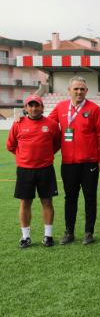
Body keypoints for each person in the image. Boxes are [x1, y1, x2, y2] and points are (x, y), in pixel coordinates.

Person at [48, 76, 100, 245]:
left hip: (89, 163)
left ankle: (89, 232)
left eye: (82, 89)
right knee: (70, 198)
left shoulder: (94, 109)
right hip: (68, 163)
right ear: (69, 90)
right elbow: (46, 123)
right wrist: (23, 119)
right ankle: (69, 232)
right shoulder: (60, 107)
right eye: (76, 89)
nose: (79, 91)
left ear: (86, 91)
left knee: (90, 198)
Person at [7, 95, 61, 248]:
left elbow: (57, 143)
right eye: (30, 105)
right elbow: (11, 145)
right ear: (26, 108)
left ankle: (48, 236)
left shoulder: (51, 124)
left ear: (42, 107)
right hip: (25, 170)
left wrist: (46, 156)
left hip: (46, 169)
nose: (34, 108)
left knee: (47, 201)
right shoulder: (18, 124)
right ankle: (25, 237)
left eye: (37, 105)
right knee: (25, 203)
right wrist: (24, 158)